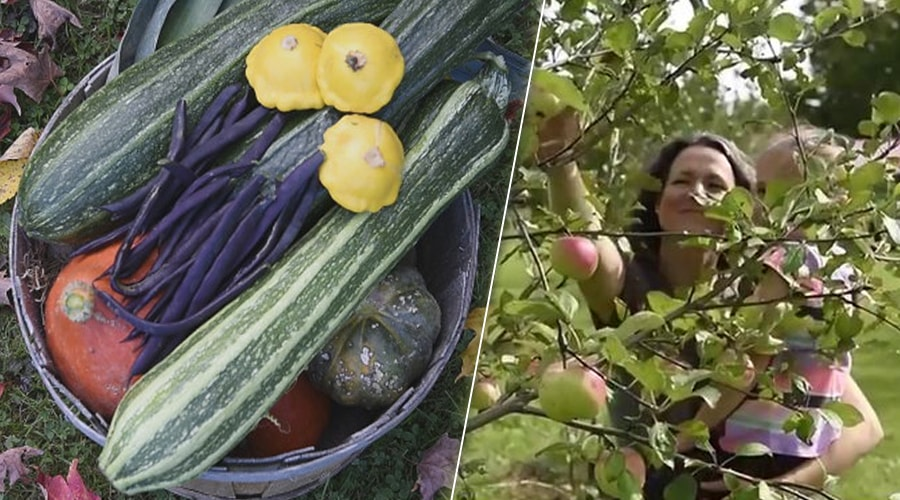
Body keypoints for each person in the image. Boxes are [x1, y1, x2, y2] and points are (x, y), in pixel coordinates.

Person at [536, 112, 883, 498]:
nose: (696, 191)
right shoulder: (631, 284)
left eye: (715, 185)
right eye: (681, 180)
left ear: (744, 211)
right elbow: (589, 247)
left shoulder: (769, 291)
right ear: (658, 202)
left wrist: (783, 489)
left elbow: (865, 426)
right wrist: (561, 163)